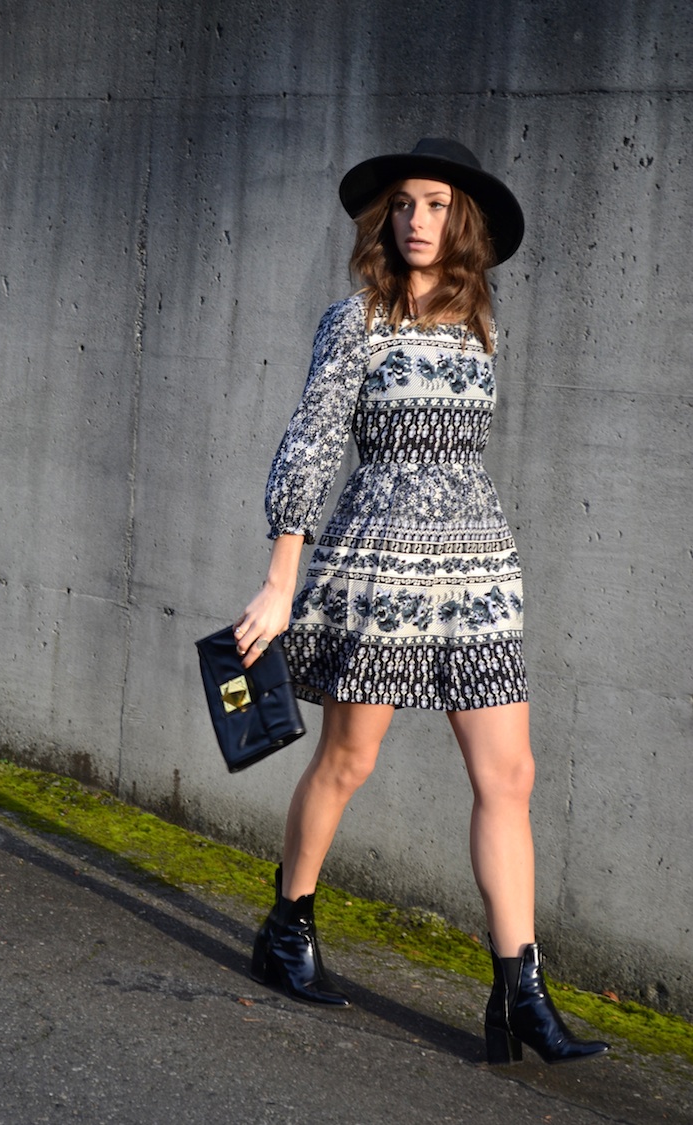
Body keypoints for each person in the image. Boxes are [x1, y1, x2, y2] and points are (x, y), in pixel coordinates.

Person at [234, 137, 609, 1066]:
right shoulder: (355, 319)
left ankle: (518, 988)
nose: (418, 221)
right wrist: (281, 581)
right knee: (348, 759)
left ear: (463, 218)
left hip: (479, 567)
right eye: (404, 204)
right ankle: (288, 926)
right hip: (382, 567)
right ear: (384, 217)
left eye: (436, 204)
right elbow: (313, 444)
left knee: (509, 776)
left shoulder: (484, 319)